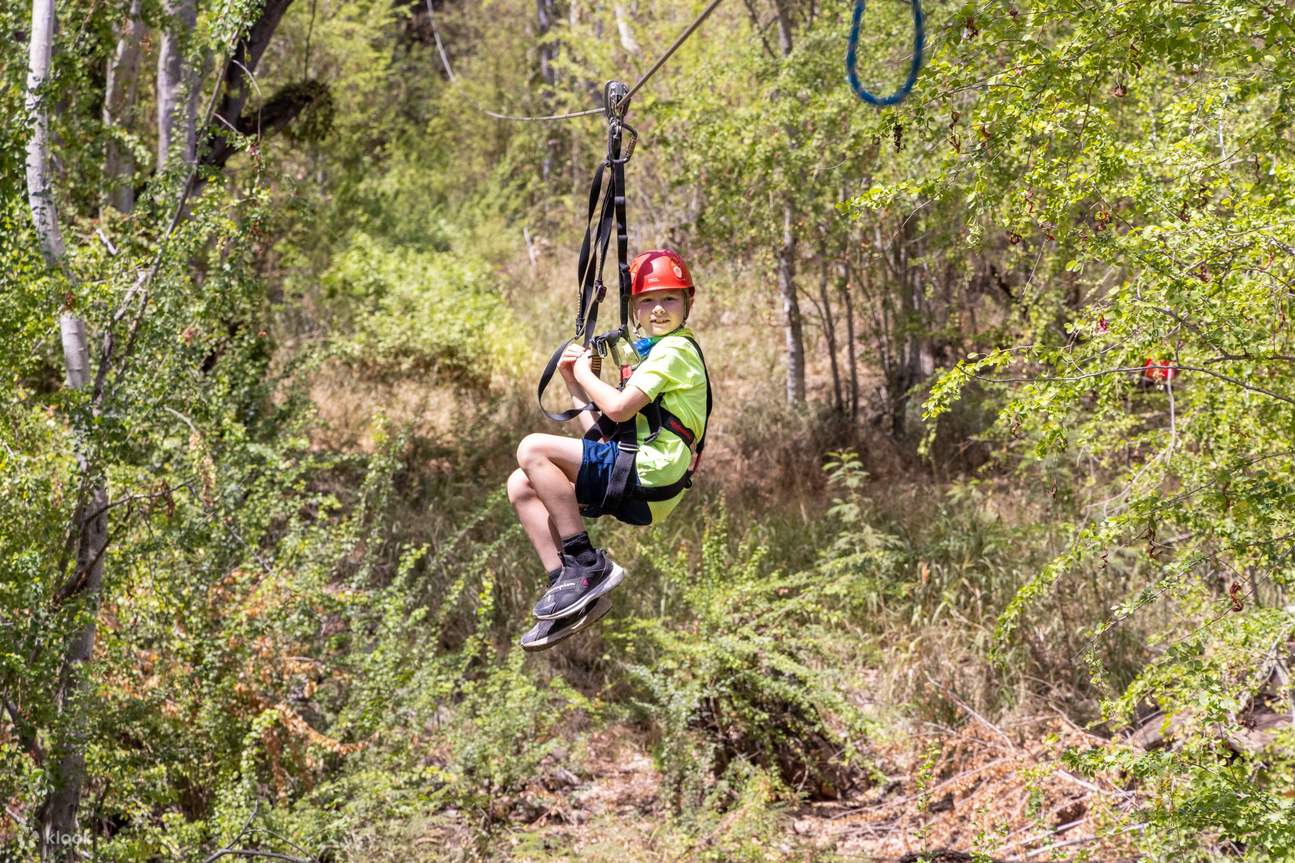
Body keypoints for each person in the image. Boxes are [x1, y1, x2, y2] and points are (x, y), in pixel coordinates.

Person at [507, 249, 711, 651]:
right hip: (642, 481)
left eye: (669, 299)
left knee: (532, 448)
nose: (657, 309)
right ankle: (569, 589)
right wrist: (575, 385)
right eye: (646, 301)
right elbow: (603, 438)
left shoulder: (675, 351)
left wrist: (585, 371)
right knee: (522, 484)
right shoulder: (650, 355)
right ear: (633, 308)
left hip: (654, 474)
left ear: (689, 302)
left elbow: (617, 407)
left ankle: (585, 563)